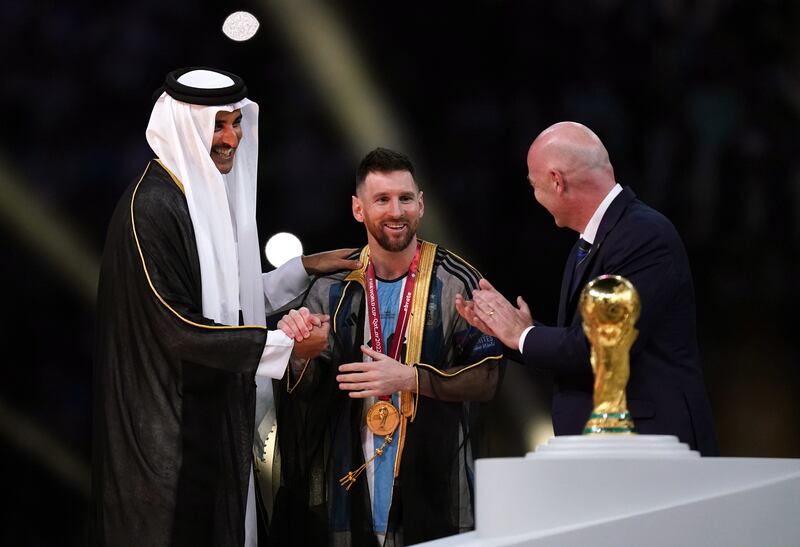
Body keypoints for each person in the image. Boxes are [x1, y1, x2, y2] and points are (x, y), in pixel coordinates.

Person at [91, 67, 358, 547]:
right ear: (187, 126)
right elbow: (178, 327)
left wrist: (302, 268)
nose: (232, 138)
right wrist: (288, 349)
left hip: (206, 416)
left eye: (236, 123)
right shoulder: (151, 205)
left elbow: (223, 298)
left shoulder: (187, 195)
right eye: (218, 125)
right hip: (166, 433)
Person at [269, 148, 503, 546]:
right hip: (347, 490)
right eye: (382, 200)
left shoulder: (457, 282)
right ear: (359, 209)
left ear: (421, 204)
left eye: (405, 198)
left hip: (436, 488)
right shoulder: (333, 288)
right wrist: (302, 356)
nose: (396, 211)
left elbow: (488, 378)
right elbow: (305, 391)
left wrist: (412, 378)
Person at [455, 121, 718, 456]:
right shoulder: (595, 241)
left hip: (649, 448)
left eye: (535, 186)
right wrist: (512, 332)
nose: (536, 198)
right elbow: (577, 345)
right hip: (616, 450)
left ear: (556, 180)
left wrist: (522, 334)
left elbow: (598, 347)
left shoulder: (642, 237)